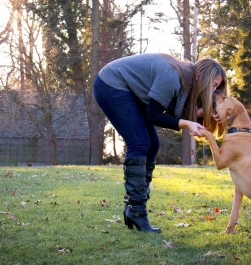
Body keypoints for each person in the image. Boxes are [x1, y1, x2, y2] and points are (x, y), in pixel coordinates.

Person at [93, 53, 228, 233]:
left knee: (152, 144)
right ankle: (137, 212)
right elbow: (153, 115)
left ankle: (133, 207)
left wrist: (206, 112)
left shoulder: (186, 80)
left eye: (217, 87)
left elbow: (179, 110)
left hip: (129, 91)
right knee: (139, 143)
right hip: (111, 83)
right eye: (212, 84)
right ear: (202, 77)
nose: (213, 91)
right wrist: (186, 123)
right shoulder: (172, 75)